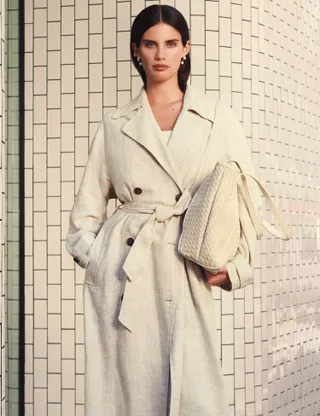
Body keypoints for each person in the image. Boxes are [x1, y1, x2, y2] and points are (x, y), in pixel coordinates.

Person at [66, 4, 259, 415]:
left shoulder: (217, 118)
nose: (161, 54)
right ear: (136, 50)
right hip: (127, 274)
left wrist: (235, 268)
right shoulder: (115, 123)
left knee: (194, 394)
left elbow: (247, 203)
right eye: (150, 44)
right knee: (127, 394)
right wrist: (100, 257)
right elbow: (84, 214)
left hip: (185, 267)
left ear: (186, 49)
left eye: (171, 43)